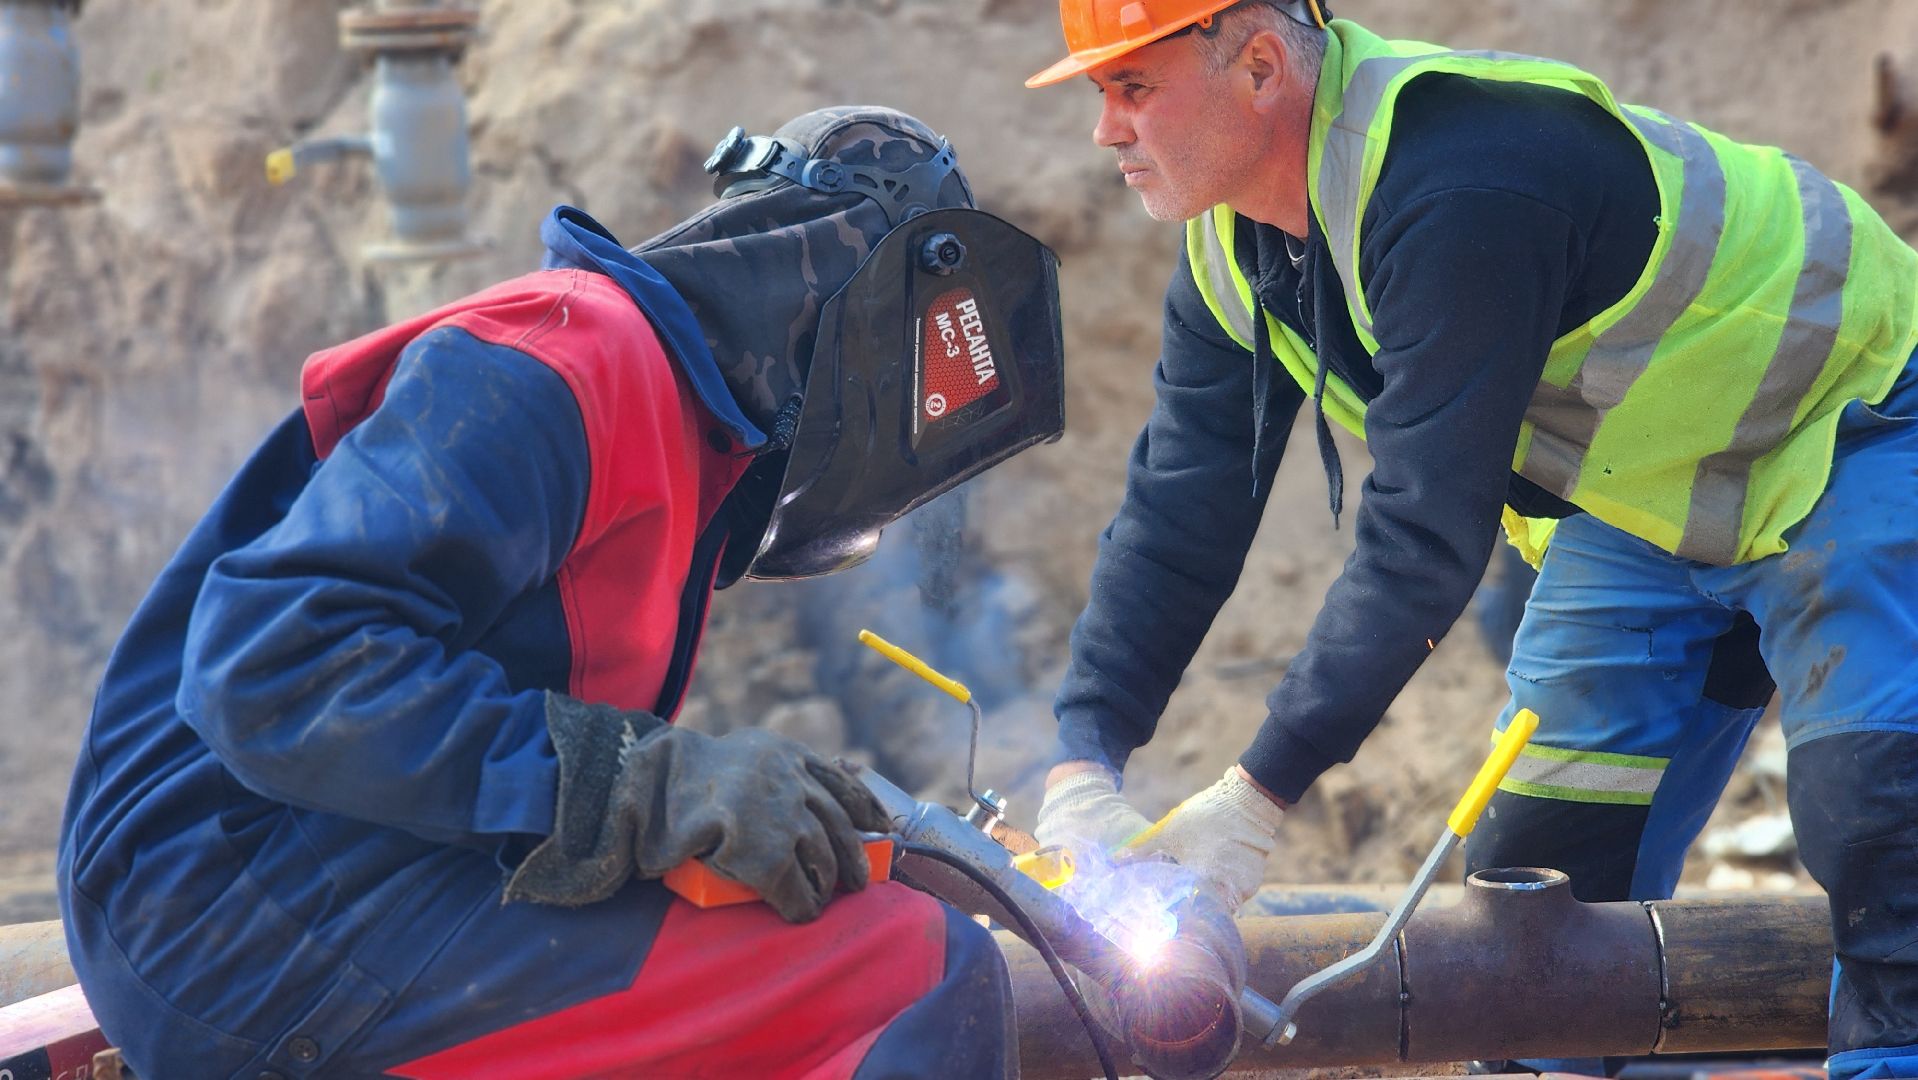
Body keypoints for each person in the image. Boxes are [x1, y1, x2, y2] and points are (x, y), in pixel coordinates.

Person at [56, 105, 1064, 1079]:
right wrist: (648, 783)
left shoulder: (677, 436)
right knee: (904, 971)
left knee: (819, 934)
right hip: (245, 914)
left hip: (325, 890)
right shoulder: (569, 363)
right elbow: (271, 664)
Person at [1022, 4, 1918, 1078]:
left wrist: (1253, 800)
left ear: (1258, 66)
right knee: (1540, 897)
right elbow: (1180, 511)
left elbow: (1422, 539)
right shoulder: (1233, 255)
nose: (1106, 131)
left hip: (1853, 415)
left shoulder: (1457, 181)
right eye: (1099, 95)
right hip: (1652, 504)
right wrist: (1083, 755)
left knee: (1882, 820)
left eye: (1133, 89)